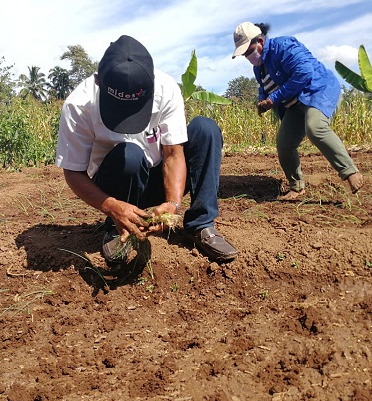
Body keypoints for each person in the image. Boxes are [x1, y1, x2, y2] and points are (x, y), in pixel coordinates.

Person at [55, 35, 237, 264]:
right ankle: (117, 226)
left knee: (205, 129)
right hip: (117, 184)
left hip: (157, 177)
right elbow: (73, 172)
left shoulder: (166, 89)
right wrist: (111, 206)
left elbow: (173, 154)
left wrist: (172, 205)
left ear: (151, 81)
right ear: (99, 82)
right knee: (129, 154)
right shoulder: (79, 105)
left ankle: (201, 225)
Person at [232, 22, 364, 200]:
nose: (248, 57)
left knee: (315, 128)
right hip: (295, 104)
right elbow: (263, 88)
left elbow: (304, 73)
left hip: (318, 90)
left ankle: (350, 172)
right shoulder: (259, 68)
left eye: (249, 51)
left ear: (261, 42)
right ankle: (296, 187)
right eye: (244, 54)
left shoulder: (284, 46)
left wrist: (273, 99)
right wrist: (262, 100)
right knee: (284, 142)